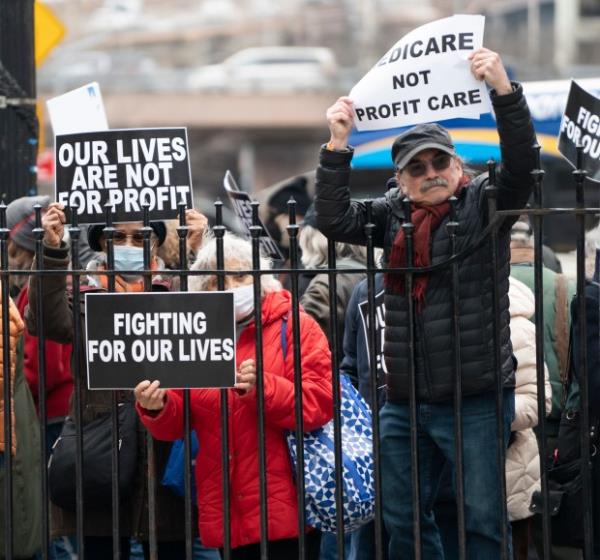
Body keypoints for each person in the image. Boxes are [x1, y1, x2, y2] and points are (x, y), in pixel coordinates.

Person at [315, 47, 537, 558]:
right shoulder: (390, 216)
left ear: (459, 168)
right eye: (418, 167)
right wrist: (337, 144)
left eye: (441, 161)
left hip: (475, 397)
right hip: (406, 400)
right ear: (401, 181)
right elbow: (332, 219)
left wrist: (504, 90)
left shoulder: (485, 204)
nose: (431, 172)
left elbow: (523, 163)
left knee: (483, 521)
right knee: (402, 519)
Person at [25, 202, 207, 559]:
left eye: (140, 236)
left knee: (172, 546)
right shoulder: (82, 295)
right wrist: (51, 249)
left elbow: (213, 311)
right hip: (100, 446)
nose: (129, 243)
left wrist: (198, 252)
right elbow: (44, 321)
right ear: (101, 244)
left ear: (155, 243)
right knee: (102, 546)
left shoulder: (175, 290)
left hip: (164, 446)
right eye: (117, 236)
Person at [134, 232, 333, 560]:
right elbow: (176, 425)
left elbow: (319, 403)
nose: (229, 286)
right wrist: (157, 407)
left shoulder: (295, 326)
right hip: (227, 509)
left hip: (288, 509)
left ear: (261, 278)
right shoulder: (193, 335)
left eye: (240, 275)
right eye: (217, 279)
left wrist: (263, 389)